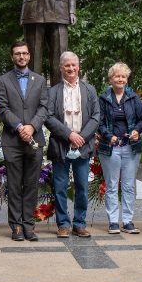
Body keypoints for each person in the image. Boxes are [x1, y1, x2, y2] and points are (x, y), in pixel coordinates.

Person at [0, 41, 49, 241]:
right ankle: (16, 226)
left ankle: (29, 225)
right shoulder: (3, 80)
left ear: (29, 56)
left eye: (24, 53)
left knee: (32, 184)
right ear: (12, 57)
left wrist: (32, 127)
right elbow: (2, 108)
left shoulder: (40, 80)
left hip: (35, 139)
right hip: (13, 140)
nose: (21, 57)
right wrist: (19, 127)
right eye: (17, 53)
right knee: (15, 185)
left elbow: (44, 108)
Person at [45, 52, 100, 238]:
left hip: (82, 146)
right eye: (66, 66)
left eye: (73, 65)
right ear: (61, 68)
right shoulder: (53, 91)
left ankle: (79, 223)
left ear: (78, 67)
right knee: (60, 186)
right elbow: (48, 117)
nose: (70, 69)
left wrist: (81, 137)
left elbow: (96, 117)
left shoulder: (89, 90)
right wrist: (69, 135)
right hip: (61, 145)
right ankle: (63, 224)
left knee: (82, 187)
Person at [97, 63, 142, 235]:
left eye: (123, 76)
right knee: (111, 184)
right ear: (111, 79)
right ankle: (112, 222)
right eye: (117, 76)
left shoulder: (133, 98)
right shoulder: (103, 99)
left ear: (127, 79)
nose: (120, 79)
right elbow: (99, 122)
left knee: (128, 185)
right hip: (110, 147)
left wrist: (136, 131)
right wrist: (108, 136)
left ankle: (127, 221)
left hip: (130, 147)